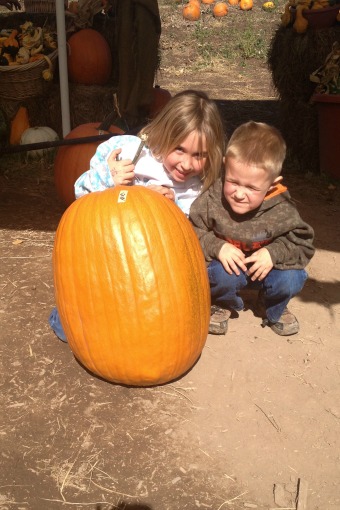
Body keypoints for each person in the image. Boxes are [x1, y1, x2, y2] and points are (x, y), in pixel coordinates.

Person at [49, 89, 226, 341]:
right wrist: (109, 179)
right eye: (179, 150)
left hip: (154, 271)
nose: (187, 164)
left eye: (198, 155)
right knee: (77, 327)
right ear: (162, 134)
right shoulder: (130, 153)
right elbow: (81, 195)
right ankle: (73, 317)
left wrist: (172, 209)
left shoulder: (196, 186)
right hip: (109, 255)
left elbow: (189, 240)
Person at [189, 121, 315, 337]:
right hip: (228, 269)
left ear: (272, 185)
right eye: (233, 181)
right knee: (219, 275)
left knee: (292, 277)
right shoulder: (212, 198)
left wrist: (272, 253)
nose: (239, 193)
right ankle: (222, 302)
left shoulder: (281, 208)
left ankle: (270, 304)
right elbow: (191, 231)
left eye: (251, 187)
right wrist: (217, 246)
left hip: (268, 269)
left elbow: (302, 244)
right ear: (225, 165)